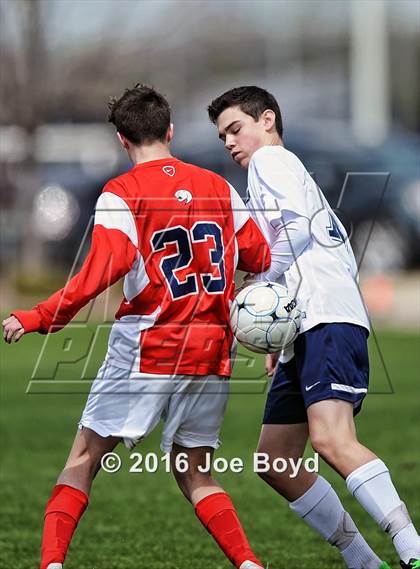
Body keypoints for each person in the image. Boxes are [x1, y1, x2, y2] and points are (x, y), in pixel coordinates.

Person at [2, 84, 271, 569]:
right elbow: (259, 255)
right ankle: (249, 564)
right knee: (196, 473)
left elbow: (101, 271)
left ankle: (51, 565)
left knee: (82, 460)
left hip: (148, 347)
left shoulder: (121, 193)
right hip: (211, 351)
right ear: (169, 130)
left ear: (122, 141)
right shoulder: (218, 186)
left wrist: (38, 316)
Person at [207, 86, 420, 569]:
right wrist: (276, 327)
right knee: (275, 459)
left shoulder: (270, 162)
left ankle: (412, 549)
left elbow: (296, 230)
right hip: (306, 325)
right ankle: (365, 562)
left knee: (331, 440)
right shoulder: (283, 171)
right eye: (223, 138)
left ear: (267, 120)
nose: (231, 143)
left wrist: (258, 287)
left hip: (327, 317)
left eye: (236, 129)